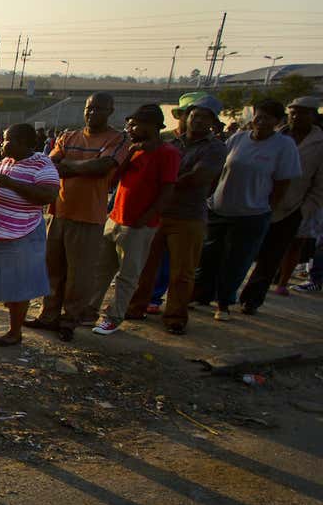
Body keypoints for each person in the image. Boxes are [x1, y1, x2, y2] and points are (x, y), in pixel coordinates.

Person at [123, 94, 228, 335]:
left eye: (204, 117)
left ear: (212, 122)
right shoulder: (170, 142)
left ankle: (175, 316)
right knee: (145, 266)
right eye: (195, 115)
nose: (198, 121)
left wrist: (165, 181)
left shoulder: (215, 148)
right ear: (186, 117)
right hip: (158, 212)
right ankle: (136, 306)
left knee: (182, 271)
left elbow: (199, 178)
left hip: (189, 216)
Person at [29, 93, 127, 341]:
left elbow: (102, 167)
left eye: (99, 109)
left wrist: (69, 166)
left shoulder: (117, 139)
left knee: (79, 274)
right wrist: (82, 167)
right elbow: (50, 164)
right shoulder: (68, 136)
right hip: (59, 211)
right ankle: (48, 315)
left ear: (110, 111)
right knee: (53, 268)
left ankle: (70, 319)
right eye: (89, 108)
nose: (93, 113)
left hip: (88, 216)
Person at [195, 99, 302, 321]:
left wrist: (268, 208)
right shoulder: (238, 139)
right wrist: (210, 197)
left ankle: (224, 303)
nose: (261, 122)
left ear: (277, 122)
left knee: (236, 260)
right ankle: (201, 295)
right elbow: (220, 170)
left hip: (252, 213)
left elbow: (282, 183)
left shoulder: (284, 146)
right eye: (258, 116)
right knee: (209, 256)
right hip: (220, 208)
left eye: (267, 118)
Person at [0, 124, 61, 345]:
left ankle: (15, 332)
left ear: (25, 144)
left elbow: (48, 195)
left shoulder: (42, 164)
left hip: (19, 234)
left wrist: (11, 184)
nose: (2, 143)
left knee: (18, 284)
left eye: (8, 140)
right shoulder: (6, 161)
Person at [89, 104, 181, 336]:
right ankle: (89, 310)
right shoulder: (133, 150)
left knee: (127, 275)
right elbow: (113, 180)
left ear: (152, 126)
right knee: (101, 270)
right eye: (128, 124)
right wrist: (129, 152)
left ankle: (114, 316)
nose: (129, 129)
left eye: (134, 124)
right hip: (116, 218)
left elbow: (168, 190)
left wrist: (147, 218)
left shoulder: (167, 153)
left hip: (139, 225)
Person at [237, 96, 323, 311]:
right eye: (293, 112)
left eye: (302, 112)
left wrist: (305, 209)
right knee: (243, 252)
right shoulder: (274, 136)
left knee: (272, 256)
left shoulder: (319, 144)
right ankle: (228, 292)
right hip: (255, 203)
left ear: (313, 116)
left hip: (291, 208)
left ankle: (252, 299)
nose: (296, 116)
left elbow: (320, 184)